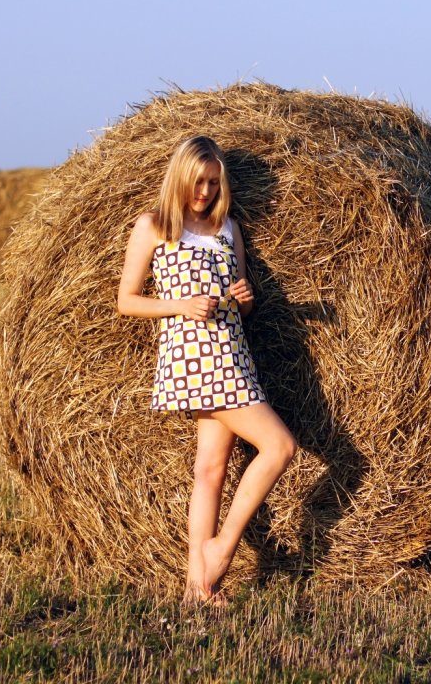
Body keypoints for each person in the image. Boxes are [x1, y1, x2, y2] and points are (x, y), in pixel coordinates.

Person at [117, 135, 297, 606]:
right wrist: (180, 304)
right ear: (180, 177)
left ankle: (198, 587)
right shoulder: (155, 226)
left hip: (233, 351)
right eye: (198, 181)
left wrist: (247, 299)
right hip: (195, 357)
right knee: (280, 446)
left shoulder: (227, 228)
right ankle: (221, 547)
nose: (204, 192)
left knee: (210, 470)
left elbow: (241, 299)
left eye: (213, 183)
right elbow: (126, 300)